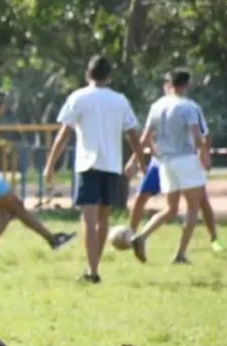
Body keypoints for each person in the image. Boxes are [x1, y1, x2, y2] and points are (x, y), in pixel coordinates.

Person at [43, 56, 145, 283]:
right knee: (104, 218)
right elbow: (132, 135)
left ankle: (92, 271)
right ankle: (94, 269)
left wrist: (50, 164)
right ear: (109, 77)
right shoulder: (120, 100)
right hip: (111, 165)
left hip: (87, 164)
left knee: (88, 218)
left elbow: (64, 134)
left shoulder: (79, 97)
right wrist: (141, 162)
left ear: (87, 75)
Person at [0, 88, 75, 258]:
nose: (4, 108)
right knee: (18, 206)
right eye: (2, 105)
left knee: (5, 212)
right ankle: (53, 239)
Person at [129, 69, 214, 265]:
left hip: (165, 162)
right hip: (186, 159)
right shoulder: (188, 106)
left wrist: (136, 159)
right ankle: (180, 253)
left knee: (170, 209)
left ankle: (141, 236)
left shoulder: (157, 105)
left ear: (170, 84)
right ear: (186, 85)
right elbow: (195, 133)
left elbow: (145, 137)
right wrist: (203, 151)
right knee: (192, 207)